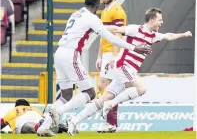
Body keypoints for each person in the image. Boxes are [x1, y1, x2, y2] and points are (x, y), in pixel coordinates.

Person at [37, 0, 151, 137]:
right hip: (71, 54)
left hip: (59, 53)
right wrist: (134, 47)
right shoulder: (93, 18)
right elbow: (110, 38)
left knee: (65, 95)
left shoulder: (75, 14)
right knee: (90, 93)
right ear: (97, 6)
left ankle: (45, 127)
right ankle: (58, 112)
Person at [66, 8, 193, 136]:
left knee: (103, 99)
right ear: (153, 19)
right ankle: (111, 104)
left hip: (128, 71)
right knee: (142, 88)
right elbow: (116, 29)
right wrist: (95, 27)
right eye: (160, 20)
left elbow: (169, 36)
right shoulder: (135, 29)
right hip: (123, 66)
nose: (162, 22)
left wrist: (184, 34)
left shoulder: (154, 36)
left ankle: (74, 121)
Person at [95, 0, 127, 132]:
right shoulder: (104, 11)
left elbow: (119, 33)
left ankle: (111, 123)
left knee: (104, 86)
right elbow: (103, 36)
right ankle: (111, 123)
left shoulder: (117, 10)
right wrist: (99, 56)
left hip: (114, 53)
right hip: (106, 53)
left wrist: (115, 56)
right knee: (107, 87)